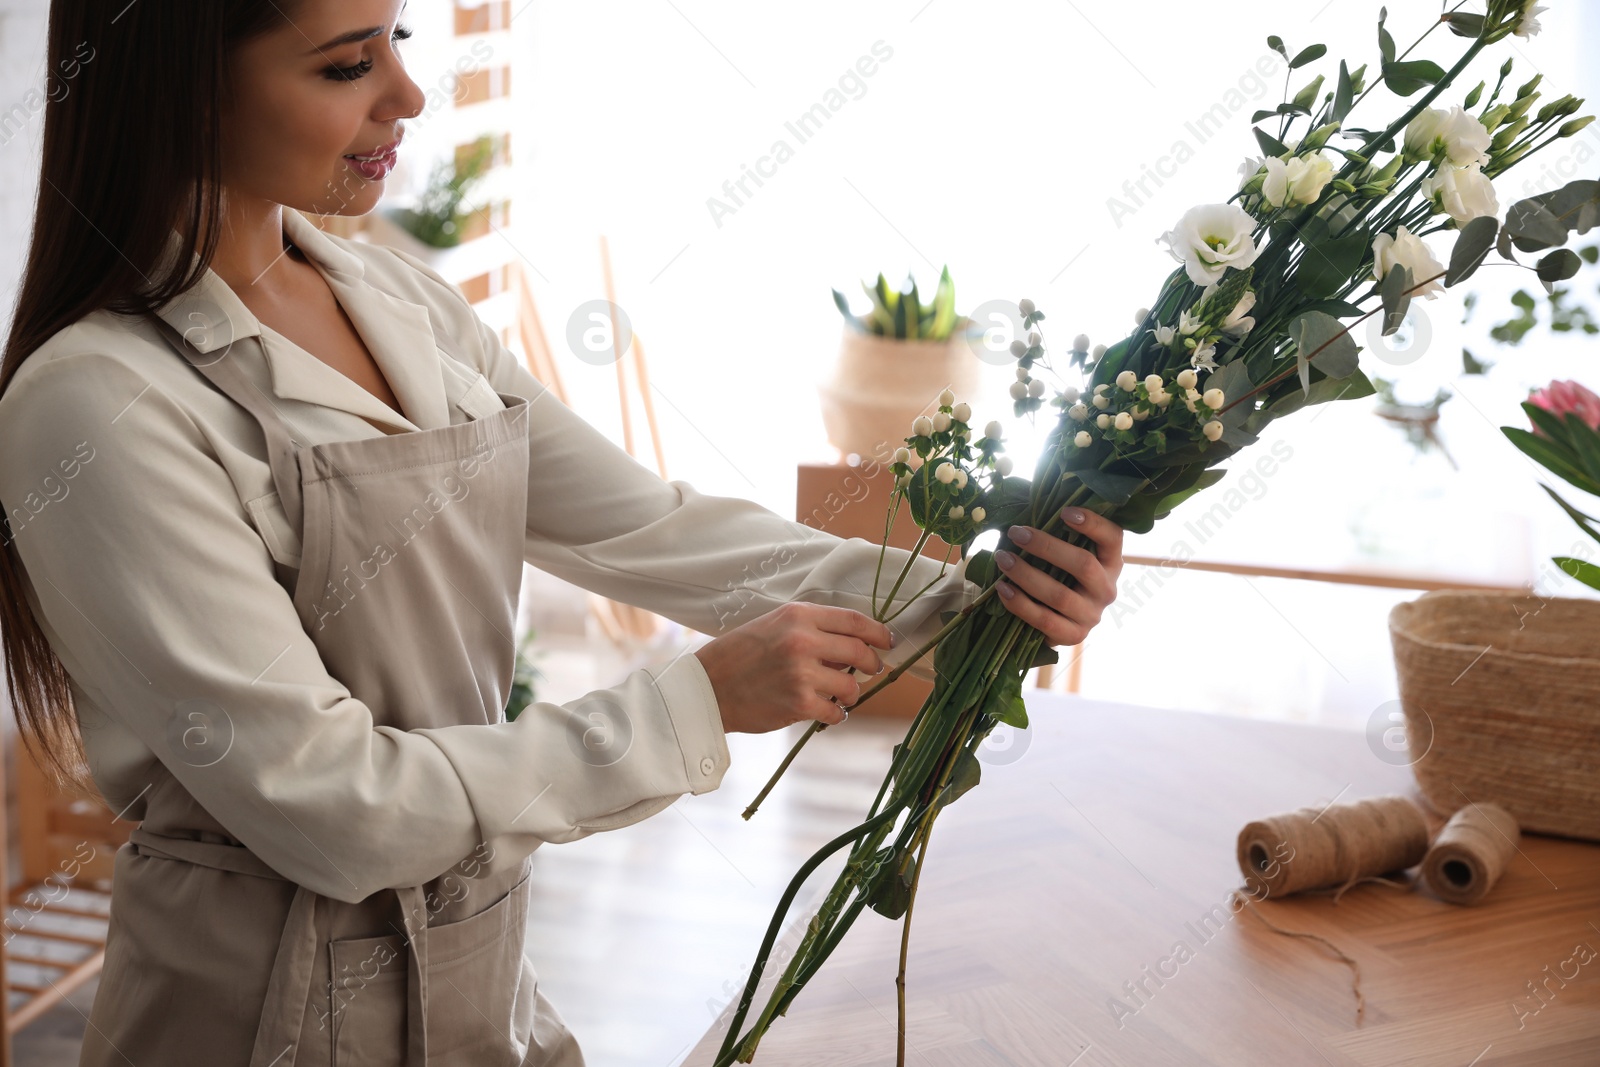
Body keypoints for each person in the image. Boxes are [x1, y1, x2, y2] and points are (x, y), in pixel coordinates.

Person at [0, 2, 1124, 1064]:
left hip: (481, 975)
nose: (409, 93)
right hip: (255, 1018)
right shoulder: (96, 404)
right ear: (179, 87)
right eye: (348, 63)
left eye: (398, 36)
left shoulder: (405, 302)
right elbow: (333, 802)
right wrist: (697, 701)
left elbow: (647, 528)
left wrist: (976, 593)